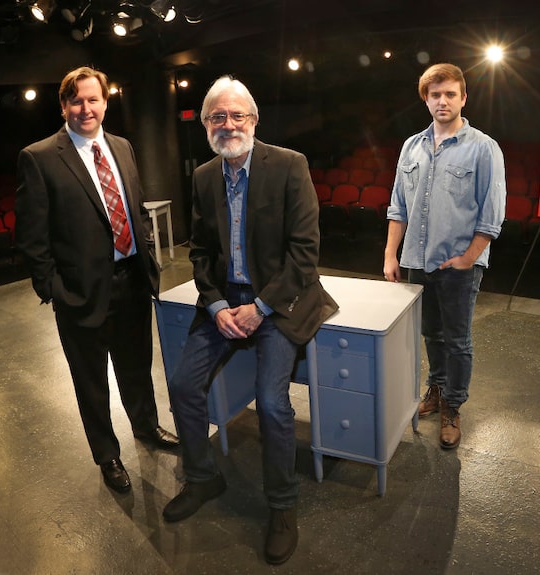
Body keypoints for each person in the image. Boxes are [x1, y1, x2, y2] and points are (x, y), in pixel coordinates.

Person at [162, 76, 338, 566]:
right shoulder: (203, 177)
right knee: (181, 385)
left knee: (273, 402)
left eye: (237, 115)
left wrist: (258, 308)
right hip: (224, 301)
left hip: (279, 300)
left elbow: (305, 255)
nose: (228, 124)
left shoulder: (288, 165)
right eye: (217, 116)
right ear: (206, 126)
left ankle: (282, 507)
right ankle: (202, 477)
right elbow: (199, 252)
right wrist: (217, 305)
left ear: (254, 121)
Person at [15, 66, 180, 494]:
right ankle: (107, 455)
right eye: (77, 100)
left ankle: (146, 427)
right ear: (64, 106)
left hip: (131, 282)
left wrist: (144, 251)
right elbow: (32, 235)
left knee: (137, 366)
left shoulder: (122, 146)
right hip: (79, 293)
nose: (86, 108)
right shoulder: (40, 157)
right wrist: (51, 288)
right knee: (90, 381)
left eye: (94, 99)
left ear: (105, 102)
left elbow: (136, 206)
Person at [383, 63, 506, 449]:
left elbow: (493, 212)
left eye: (450, 94)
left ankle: (453, 406)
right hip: (417, 261)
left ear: (463, 98)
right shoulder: (411, 146)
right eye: (435, 94)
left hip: (457, 266)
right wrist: (391, 254)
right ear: (426, 99)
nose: (442, 101)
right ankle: (435, 389)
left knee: (457, 340)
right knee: (429, 333)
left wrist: (469, 257)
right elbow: (398, 205)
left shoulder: (483, 148)